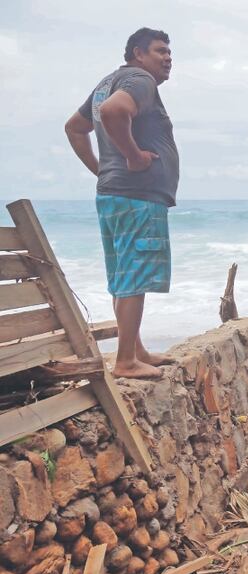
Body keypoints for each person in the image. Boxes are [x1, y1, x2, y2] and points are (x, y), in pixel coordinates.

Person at [64, 28, 179, 379]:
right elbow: (116, 112)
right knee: (135, 276)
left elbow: (74, 127)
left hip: (114, 194)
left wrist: (103, 170)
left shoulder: (108, 82)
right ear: (137, 53)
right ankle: (126, 361)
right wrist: (133, 157)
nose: (168, 58)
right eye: (160, 51)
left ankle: (135, 349)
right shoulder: (139, 80)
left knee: (124, 275)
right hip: (137, 197)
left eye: (170, 53)